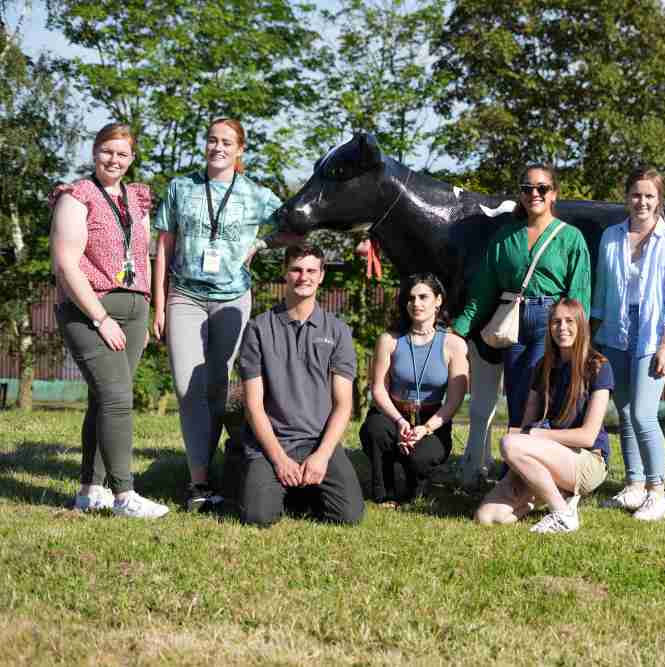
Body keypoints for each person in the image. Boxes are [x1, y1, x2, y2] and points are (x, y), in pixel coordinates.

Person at [152, 117, 297, 511]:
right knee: (187, 387)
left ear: (240, 150)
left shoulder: (255, 194)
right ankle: (198, 480)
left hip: (233, 300)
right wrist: (158, 302)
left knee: (216, 388)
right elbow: (163, 245)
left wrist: (262, 244)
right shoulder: (182, 187)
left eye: (227, 142)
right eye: (212, 140)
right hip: (185, 295)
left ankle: (214, 464)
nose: (218, 147)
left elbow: (297, 225)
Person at [50, 122, 169, 518]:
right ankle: (124, 496)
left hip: (134, 309)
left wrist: (151, 307)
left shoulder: (136, 199)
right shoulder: (76, 197)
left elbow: (145, 256)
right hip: (91, 309)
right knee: (118, 399)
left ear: (131, 159)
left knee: (104, 399)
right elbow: (66, 264)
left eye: (122, 154)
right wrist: (101, 318)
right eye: (107, 151)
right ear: (94, 152)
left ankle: (89, 489)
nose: (113, 159)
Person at [452, 164, 592, 432]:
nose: (534, 194)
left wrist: (576, 335)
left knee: (537, 389)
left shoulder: (571, 238)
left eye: (542, 188)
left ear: (554, 194)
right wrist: (458, 330)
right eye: (527, 189)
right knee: (516, 392)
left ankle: (536, 459)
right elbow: (483, 291)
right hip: (512, 320)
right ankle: (514, 463)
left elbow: (579, 294)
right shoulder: (504, 237)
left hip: (552, 320)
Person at [236, 243, 365, 527]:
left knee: (349, 517)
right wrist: (279, 459)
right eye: (296, 269)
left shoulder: (339, 332)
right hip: (270, 443)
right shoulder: (258, 329)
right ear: (285, 273)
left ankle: (302, 489)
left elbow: (344, 405)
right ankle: (268, 478)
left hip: (317, 442)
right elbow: (253, 405)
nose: (303, 276)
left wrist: (321, 456)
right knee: (258, 517)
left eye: (310, 270)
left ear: (321, 276)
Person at [591, 166, 665, 521]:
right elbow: (601, 293)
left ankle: (658, 491)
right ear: (627, 197)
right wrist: (592, 336)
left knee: (645, 414)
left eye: (649, 195)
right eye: (636, 194)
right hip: (615, 334)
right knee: (626, 413)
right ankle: (633, 485)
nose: (642, 201)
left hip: (653, 335)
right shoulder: (611, 237)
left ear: (659, 200)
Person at [475, 298, 612, 534]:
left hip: (587, 461)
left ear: (581, 325)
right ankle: (555, 492)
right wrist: (523, 438)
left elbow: (588, 437)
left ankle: (562, 514)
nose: (562, 328)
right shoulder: (543, 366)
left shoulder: (598, 366)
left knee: (510, 444)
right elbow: (527, 422)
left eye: (569, 321)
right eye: (556, 322)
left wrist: (536, 435)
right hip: (546, 456)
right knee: (486, 517)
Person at [360, 273, 469, 503]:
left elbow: (454, 401)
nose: (416, 304)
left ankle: (415, 489)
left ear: (438, 300)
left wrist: (425, 429)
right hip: (392, 414)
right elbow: (378, 388)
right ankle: (383, 491)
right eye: (411, 298)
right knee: (375, 430)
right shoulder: (388, 340)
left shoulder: (455, 345)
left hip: (432, 419)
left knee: (421, 457)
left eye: (423, 297)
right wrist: (400, 422)